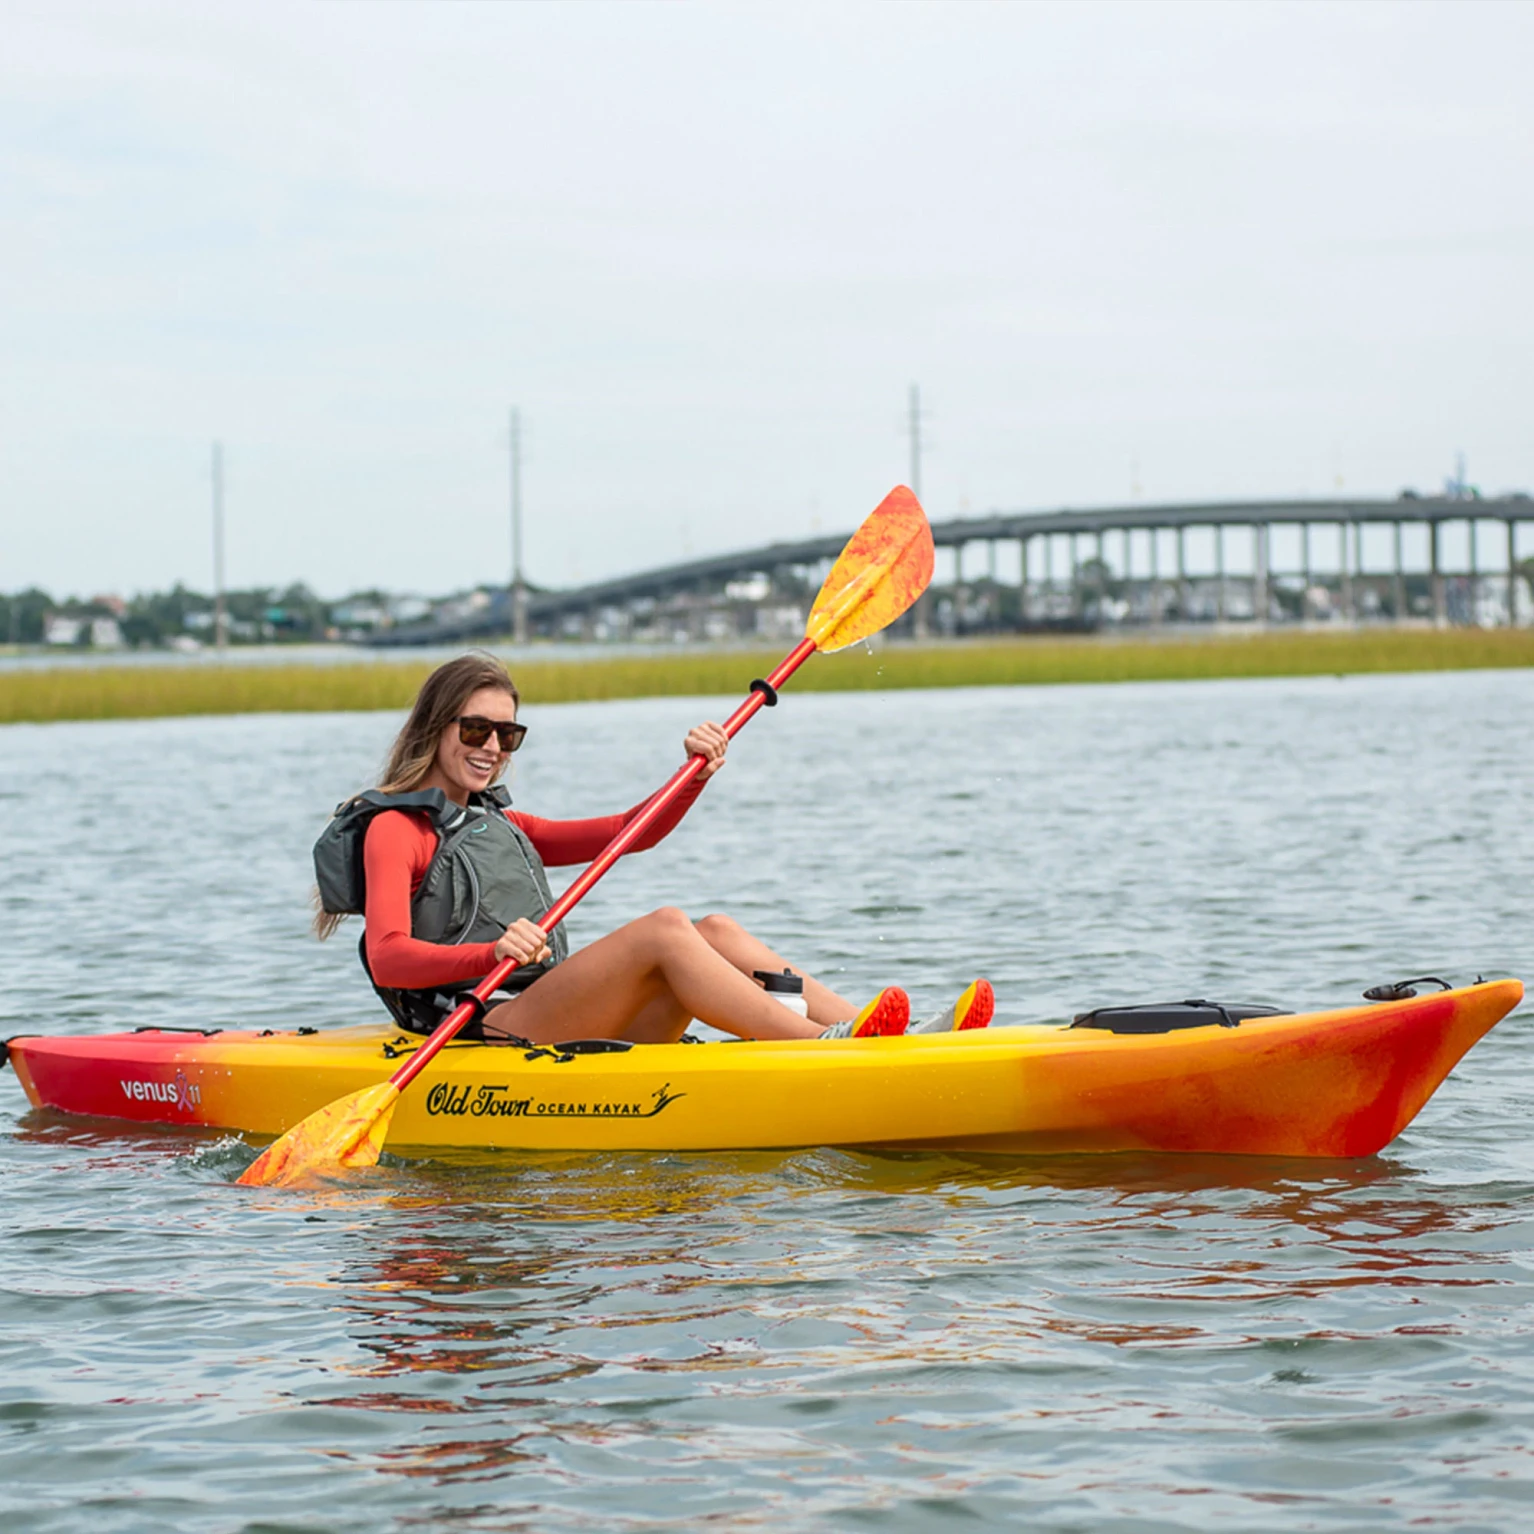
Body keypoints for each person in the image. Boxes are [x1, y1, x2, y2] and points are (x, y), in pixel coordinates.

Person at [316, 652, 992, 1045]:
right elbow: (391, 958)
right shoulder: (395, 829)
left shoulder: (501, 823)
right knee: (665, 929)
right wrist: (489, 953)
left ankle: (885, 1039)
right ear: (438, 728)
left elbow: (628, 832)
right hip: (491, 1026)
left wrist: (692, 774)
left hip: (555, 1009)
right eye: (475, 729)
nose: (491, 747)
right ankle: (821, 1051)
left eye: (506, 734)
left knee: (714, 930)